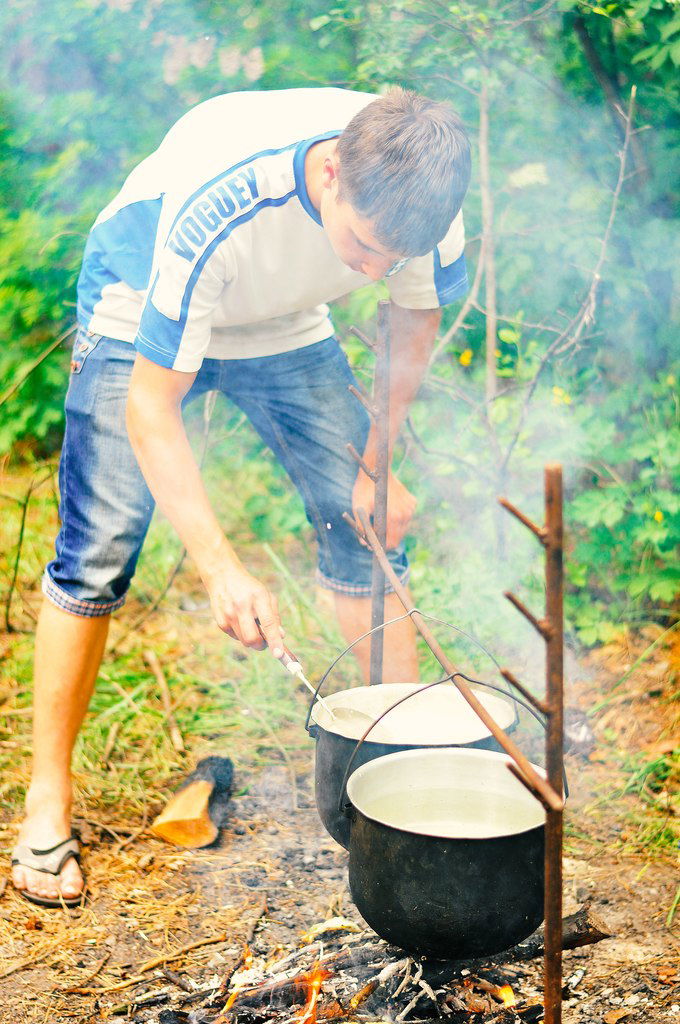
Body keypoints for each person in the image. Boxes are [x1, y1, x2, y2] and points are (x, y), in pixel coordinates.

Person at [11, 86, 471, 907]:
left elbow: (414, 325)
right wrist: (222, 569)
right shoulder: (221, 201)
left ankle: (393, 771)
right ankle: (47, 797)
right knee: (98, 551)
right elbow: (152, 409)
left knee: (364, 530)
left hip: (289, 322)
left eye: (389, 261)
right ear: (331, 172)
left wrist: (377, 460)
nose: (372, 272)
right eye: (363, 249)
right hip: (137, 303)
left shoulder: (424, 197)